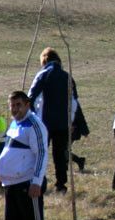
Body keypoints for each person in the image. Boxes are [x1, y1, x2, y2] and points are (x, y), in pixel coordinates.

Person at [0, 91, 49, 220]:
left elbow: (41, 154)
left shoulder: (34, 125)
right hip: (10, 184)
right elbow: (7, 153)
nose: (15, 109)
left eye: (19, 105)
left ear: (27, 104)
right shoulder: (15, 125)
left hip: (27, 183)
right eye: (12, 105)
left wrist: (37, 182)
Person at [28, 48, 88, 194]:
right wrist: (75, 122)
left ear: (44, 61)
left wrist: (32, 118)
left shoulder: (42, 75)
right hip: (63, 124)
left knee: (40, 153)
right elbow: (74, 102)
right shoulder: (68, 77)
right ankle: (61, 185)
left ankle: (38, 181)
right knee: (60, 155)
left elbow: (30, 97)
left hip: (44, 123)